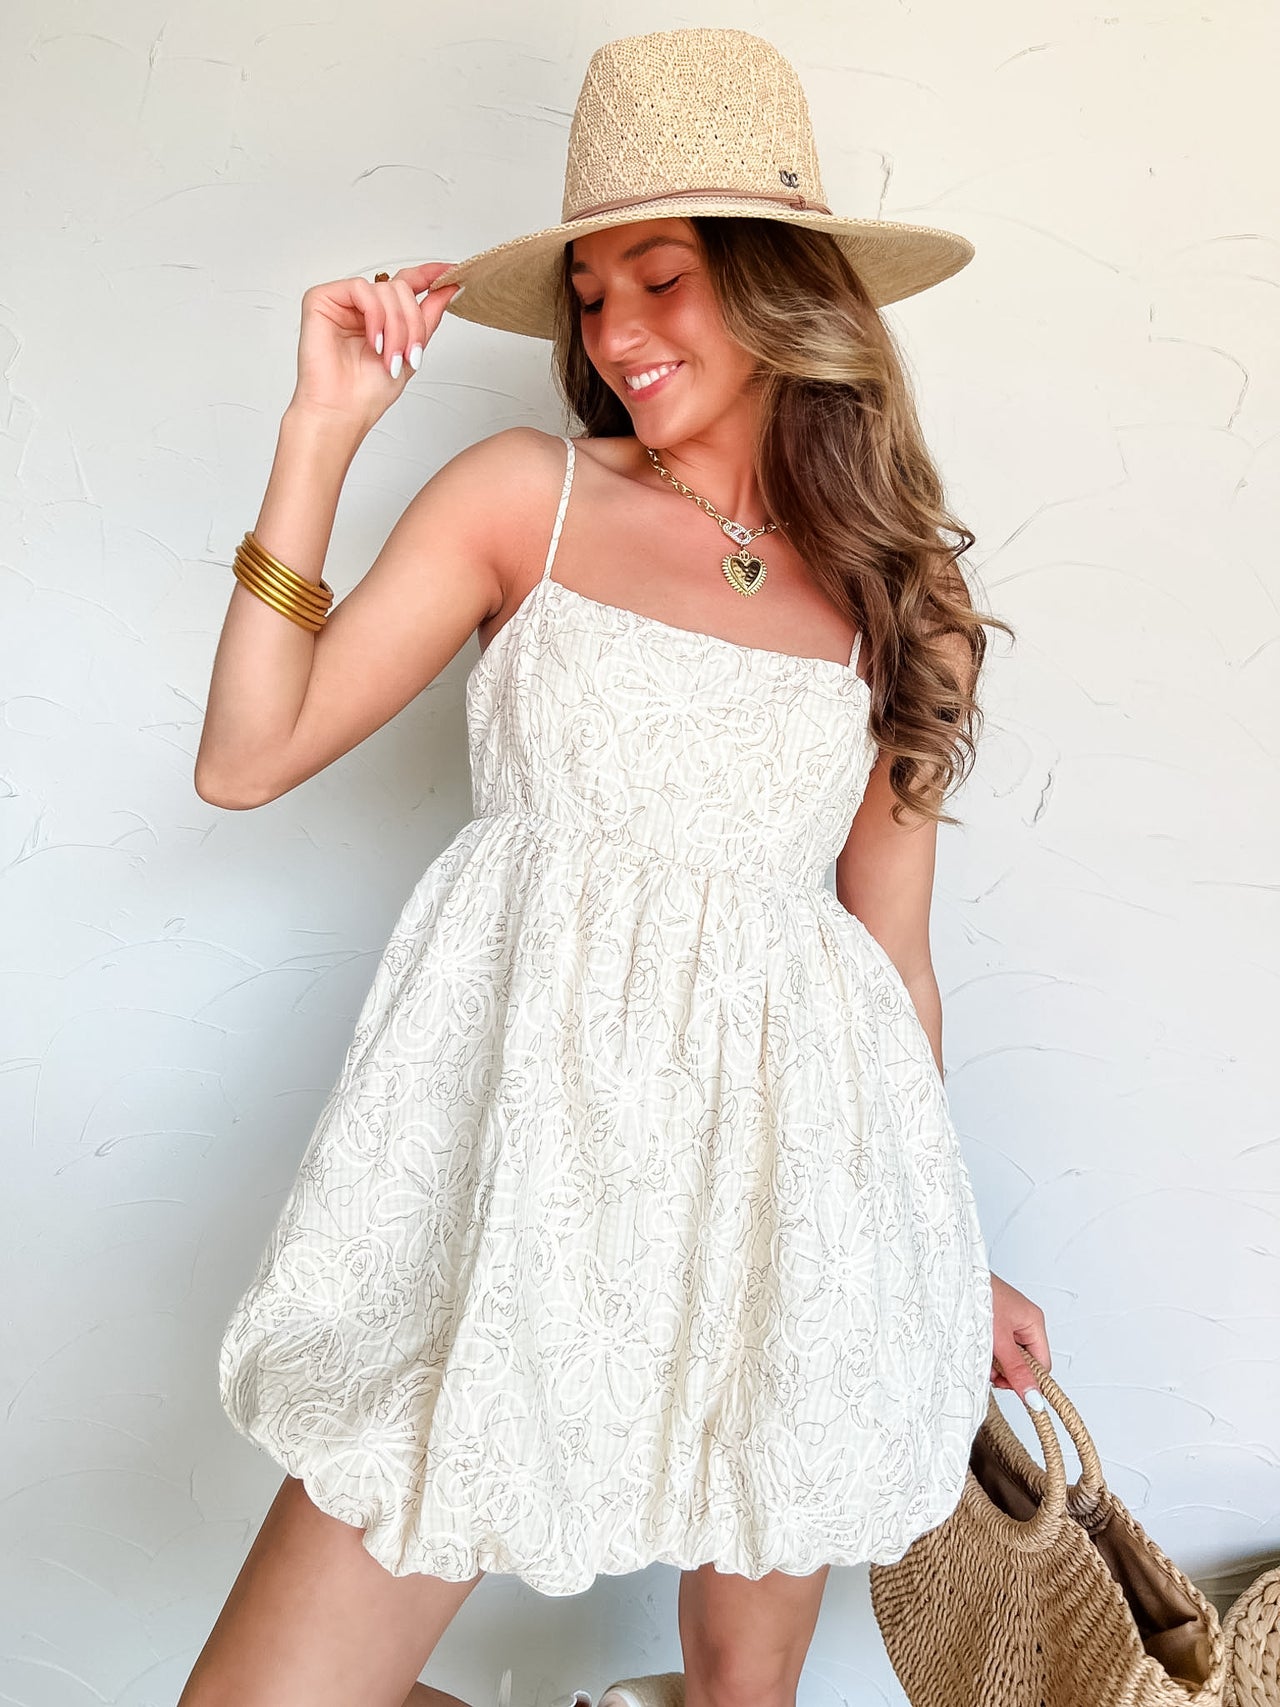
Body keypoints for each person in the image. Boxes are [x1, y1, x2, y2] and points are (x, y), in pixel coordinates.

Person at [181, 26, 1053, 1707]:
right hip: (517, 1193)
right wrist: (321, 433)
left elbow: (889, 965)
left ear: (782, 287)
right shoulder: (529, 499)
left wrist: (945, 1253)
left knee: (746, 1692)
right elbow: (246, 758)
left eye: (661, 280)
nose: (616, 333)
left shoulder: (902, 599)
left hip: (790, 1212)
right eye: (591, 295)